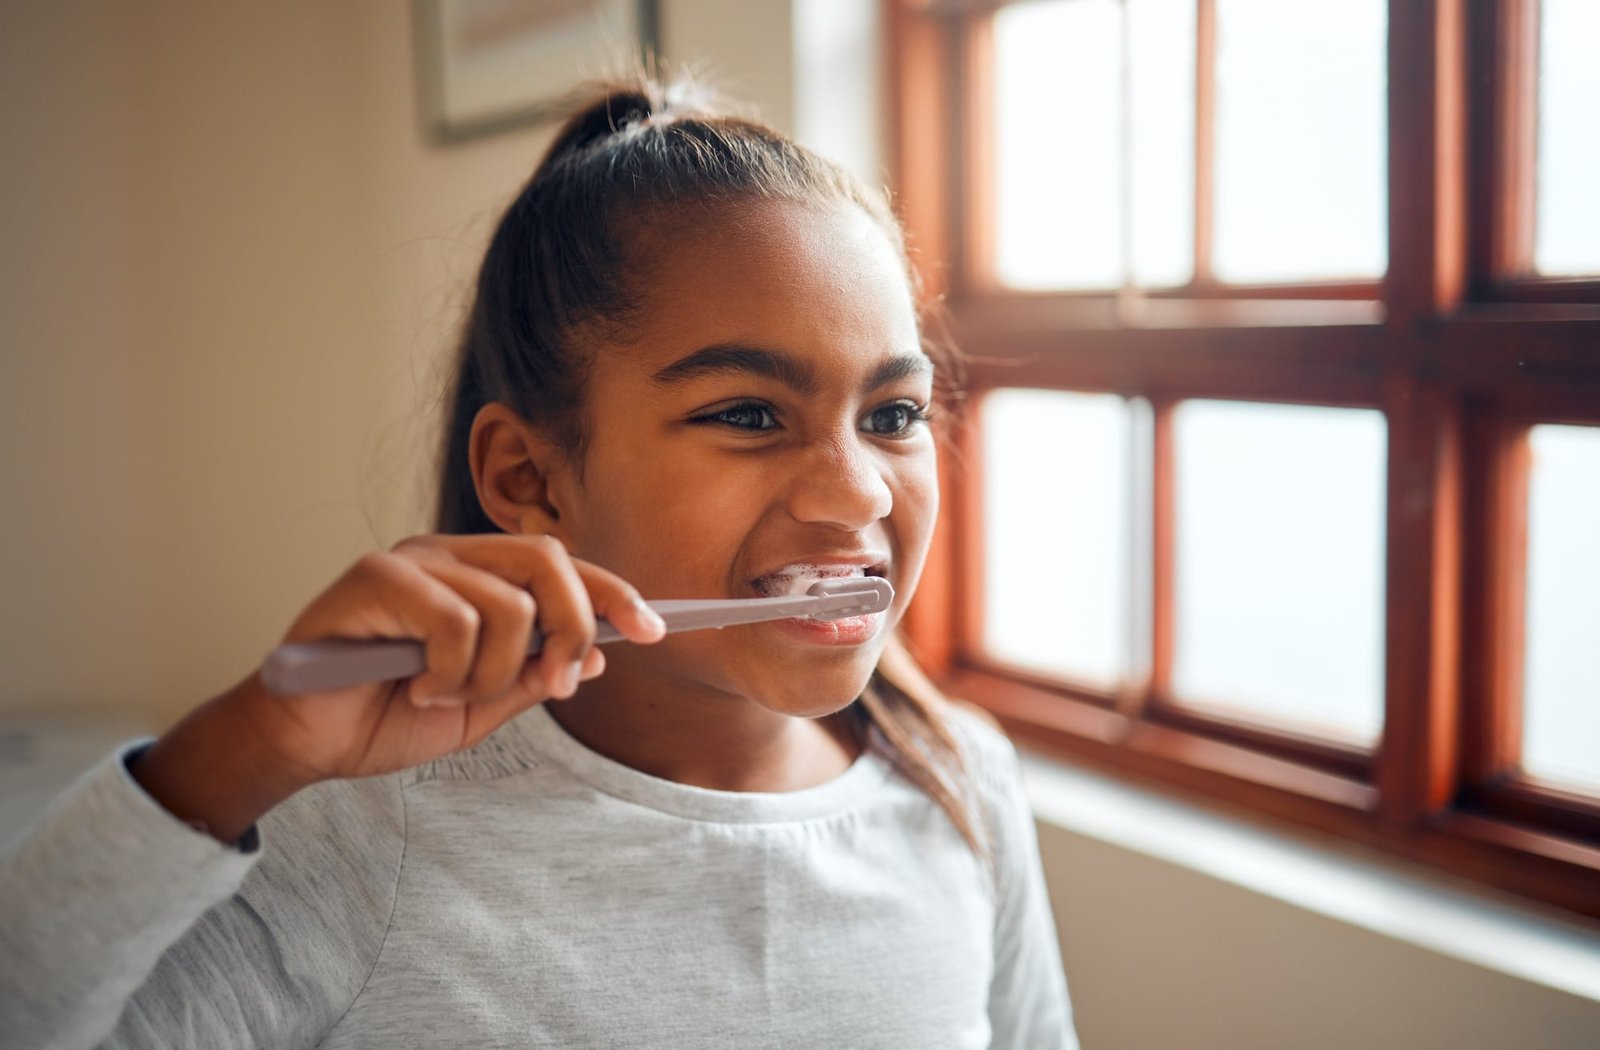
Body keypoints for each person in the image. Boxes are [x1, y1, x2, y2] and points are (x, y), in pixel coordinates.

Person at [0, 72, 1077, 1049]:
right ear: (528, 479)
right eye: (750, 413)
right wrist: (244, 744)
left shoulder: (959, 781)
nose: (859, 491)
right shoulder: (361, 837)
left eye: (892, 412)